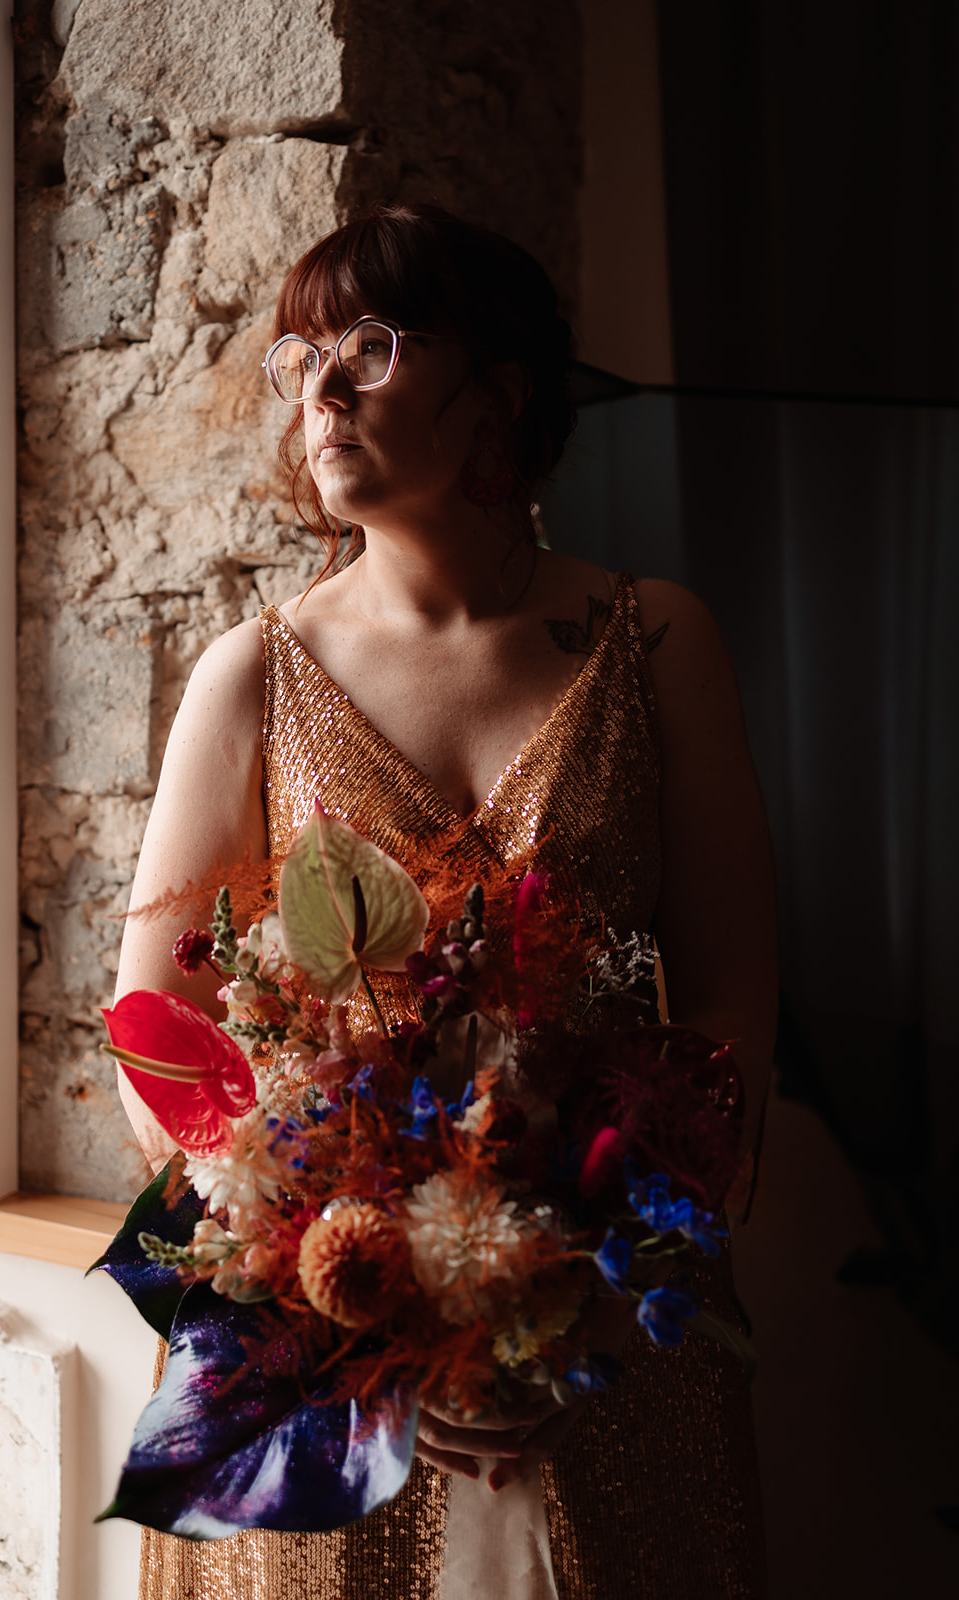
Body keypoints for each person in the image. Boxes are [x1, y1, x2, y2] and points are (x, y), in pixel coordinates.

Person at [115, 204, 777, 1599]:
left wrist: (587, 1276)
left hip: (608, 1323)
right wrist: (335, 1265)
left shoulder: (654, 640)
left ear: (501, 391)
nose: (323, 389)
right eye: (299, 357)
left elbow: (726, 1000)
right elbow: (154, 1024)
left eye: (371, 342)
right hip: (327, 1344)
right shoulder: (255, 669)